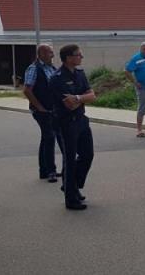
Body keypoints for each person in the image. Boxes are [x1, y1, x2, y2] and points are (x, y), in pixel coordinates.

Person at [48, 44, 97, 210]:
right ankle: (71, 199)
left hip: (81, 120)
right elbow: (69, 105)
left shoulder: (80, 74)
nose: (81, 57)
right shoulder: (57, 78)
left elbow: (92, 96)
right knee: (69, 160)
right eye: (78, 55)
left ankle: (72, 185)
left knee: (88, 155)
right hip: (66, 123)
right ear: (68, 57)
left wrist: (78, 97)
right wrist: (82, 98)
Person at [23, 44, 63, 182]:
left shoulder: (52, 68)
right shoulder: (34, 68)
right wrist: (39, 107)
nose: (52, 55)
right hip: (41, 110)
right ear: (41, 54)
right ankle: (51, 170)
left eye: (52, 52)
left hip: (52, 109)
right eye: (50, 53)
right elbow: (27, 90)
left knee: (47, 138)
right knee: (50, 136)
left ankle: (43, 170)